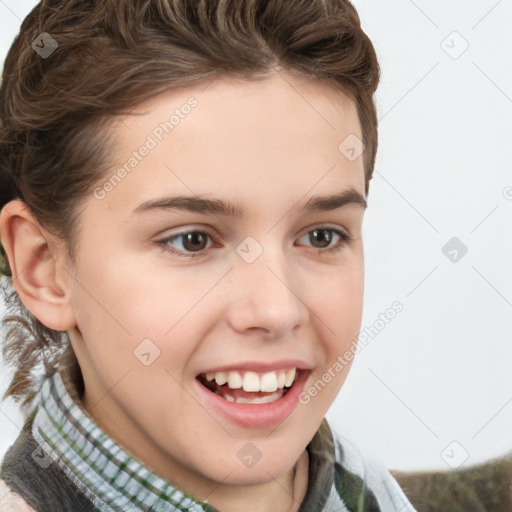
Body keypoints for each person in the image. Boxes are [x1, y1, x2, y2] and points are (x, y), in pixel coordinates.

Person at [0, 0, 417, 510]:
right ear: (43, 267)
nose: (276, 310)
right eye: (192, 240)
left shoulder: (369, 488)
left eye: (322, 236)